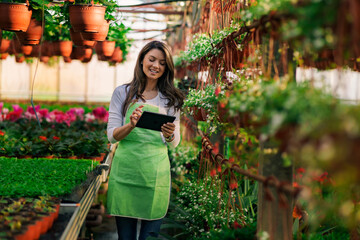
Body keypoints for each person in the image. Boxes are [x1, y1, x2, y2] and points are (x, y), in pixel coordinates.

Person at [106, 41, 184, 240]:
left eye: (162, 62)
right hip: (126, 173)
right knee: (125, 237)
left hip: (154, 175)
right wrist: (131, 125)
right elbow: (111, 135)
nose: (156, 65)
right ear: (141, 60)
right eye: (152, 59)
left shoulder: (170, 99)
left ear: (166, 68)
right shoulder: (122, 93)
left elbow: (175, 142)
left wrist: (169, 134)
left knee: (149, 237)